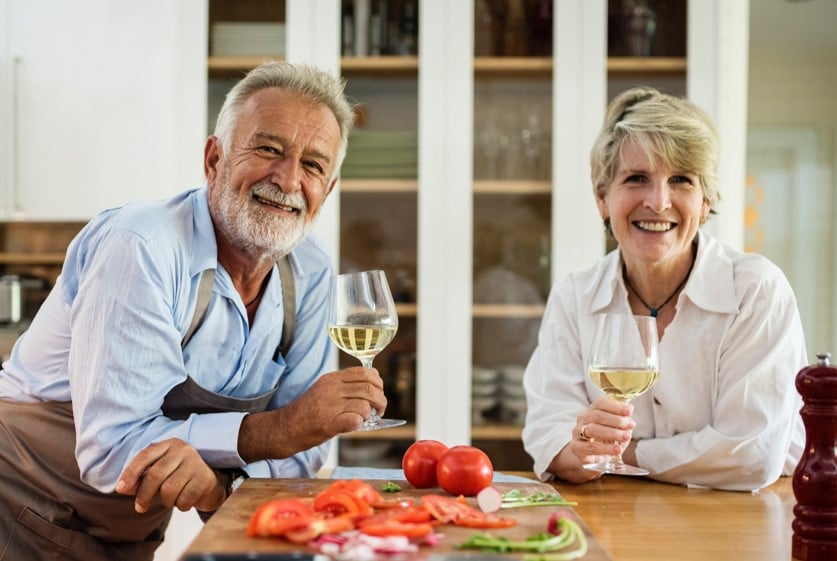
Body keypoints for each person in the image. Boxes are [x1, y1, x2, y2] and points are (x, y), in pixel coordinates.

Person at [0, 62, 388, 560]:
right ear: (214, 159)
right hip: (18, 506)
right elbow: (113, 448)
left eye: (313, 165)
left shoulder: (309, 271)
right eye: (268, 148)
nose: (289, 179)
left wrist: (219, 485)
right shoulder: (142, 246)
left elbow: (303, 458)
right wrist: (279, 429)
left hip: (128, 530)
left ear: (327, 191)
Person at [522, 86, 807, 492]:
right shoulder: (575, 296)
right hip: (615, 521)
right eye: (636, 178)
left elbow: (750, 455)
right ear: (603, 198)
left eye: (681, 180)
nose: (658, 202)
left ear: (705, 202)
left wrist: (620, 453)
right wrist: (580, 449)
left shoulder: (755, 291)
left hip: (746, 522)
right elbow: (548, 435)